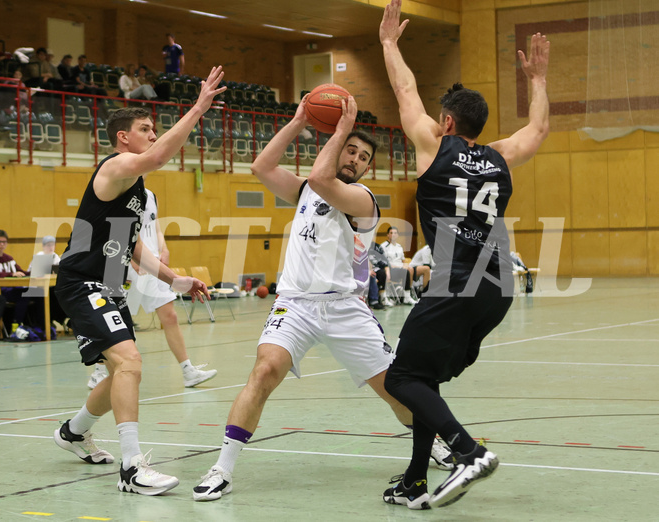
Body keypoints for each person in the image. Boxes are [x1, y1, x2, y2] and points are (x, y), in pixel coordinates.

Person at [193, 93, 452, 502]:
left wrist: (342, 129)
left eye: (363, 156)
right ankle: (221, 468)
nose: (354, 159)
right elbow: (261, 166)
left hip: (345, 308)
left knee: (396, 390)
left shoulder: (363, 201)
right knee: (263, 371)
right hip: (295, 303)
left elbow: (320, 179)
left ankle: (432, 442)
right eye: (349, 150)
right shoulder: (304, 192)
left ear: (368, 167)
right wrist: (299, 120)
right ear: (334, 147)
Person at [380, 0, 549, 509]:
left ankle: (468, 451)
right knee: (423, 375)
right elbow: (537, 129)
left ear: (448, 121)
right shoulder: (501, 155)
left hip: (456, 281)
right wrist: (537, 79)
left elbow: (405, 89)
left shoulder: (435, 145)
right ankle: (413, 478)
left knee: (401, 378)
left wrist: (389, 44)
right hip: (499, 287)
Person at [51, 65, 226, 497]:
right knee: (130, 362)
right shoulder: (115, 168)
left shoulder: (135, 185)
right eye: (145, 128)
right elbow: (160, 155)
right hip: (80, 283)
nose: (152, 133)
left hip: (106, 284)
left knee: (119, 373)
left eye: (154, 128)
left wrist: (176, 280)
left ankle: (74, 432)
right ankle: (131, 468)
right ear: (122, 138)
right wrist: (199, 106)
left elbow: (129, 247)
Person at [87, 188, 218, 390]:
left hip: (152, 263)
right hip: (120, 263)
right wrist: (132, 258)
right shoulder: (119, 189)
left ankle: (188, 371)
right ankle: (98, 372)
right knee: (114, 319)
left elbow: (155, 227)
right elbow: (114, 228)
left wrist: (164, 248)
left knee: (170, 316)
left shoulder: (150, 195)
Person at [0, 229, 40, 329]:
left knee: (39, 293)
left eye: (4, 242)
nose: (2, 244)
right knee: (24, 294)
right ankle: (16, 325)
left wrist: (37, 273)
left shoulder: (9, 258)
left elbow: (21, 272)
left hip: (12, 289)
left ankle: (40, 325)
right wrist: (12, 274)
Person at [380, 226, 416, 305]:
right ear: (388, 235)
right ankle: (407, 295)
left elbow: (403, 260)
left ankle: (407, 296)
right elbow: (385, 262)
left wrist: (406, 265)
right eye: (391, 233)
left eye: (395, 233)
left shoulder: (399, 246)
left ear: (397, 235)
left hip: (400, 268)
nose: (393, 235)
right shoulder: (383, 246)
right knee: (406, 271)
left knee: (409, 269)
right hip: (391, 269)